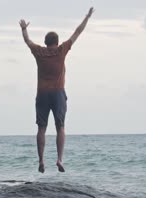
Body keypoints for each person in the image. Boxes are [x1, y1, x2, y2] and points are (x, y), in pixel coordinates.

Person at [20, 7, 94, 173]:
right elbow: (77, 32)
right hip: (58, 93)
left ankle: (41, 160)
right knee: (60, 127)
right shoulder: (62, 50)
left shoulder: (39, 52)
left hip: (42, 94)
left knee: (41, 128)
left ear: (46, 42)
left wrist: (24, 29)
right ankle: (59, 159)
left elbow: (27, 41)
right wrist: (87, 16)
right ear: (57, 41)